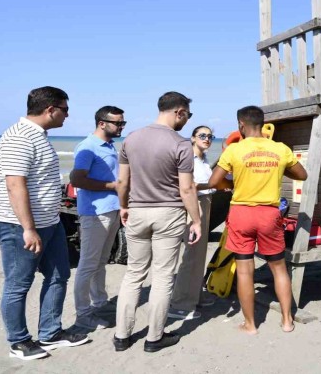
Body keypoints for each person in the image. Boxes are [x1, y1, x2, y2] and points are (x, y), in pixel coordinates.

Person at [0, 86, 87, 361]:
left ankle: (50, 333)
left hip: (50, 222)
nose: (67, 115)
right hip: (18, 226)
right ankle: (18, 342)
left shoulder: (38, 135)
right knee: (18, 284)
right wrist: (28, 229)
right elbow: (14, 185)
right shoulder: (20, 136)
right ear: (50, 109)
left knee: (58, 276)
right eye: (65, 110)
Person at [113, 91, 202, 353]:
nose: (187, 120)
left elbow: (123, 181)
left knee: (133, 274)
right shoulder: (180, 144)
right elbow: (186, 189)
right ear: (179, 112)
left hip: (138, 210)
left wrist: (124, 206)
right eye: (187, 115)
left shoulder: (131, 139)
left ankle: (121, 336)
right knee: (163, 276)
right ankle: (154, 337)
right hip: (169, 213)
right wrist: (196, 220)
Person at [208, 105, 307, 335]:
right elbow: (302, 174)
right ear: (262, 124)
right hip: (269, 214)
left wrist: (231, 183)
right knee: (279, 269)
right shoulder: (280, 148)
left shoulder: (234, 150)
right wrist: (279, 170)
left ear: (241, 125)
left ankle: (250, 325)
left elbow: (213, 182)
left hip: (241, 213)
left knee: (245, 271)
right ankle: (287, 321)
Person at [70, 106, 126, 330]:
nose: (121, 127)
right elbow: (77, 179)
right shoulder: (88, 146)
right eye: (118, 123)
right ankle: (83, 313)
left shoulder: (109, 145)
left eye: (123, 123)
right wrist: (112, 186)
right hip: (95, 213)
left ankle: (99, 302)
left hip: (111, 209)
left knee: (101, 261)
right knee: (88, 264)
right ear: (102, 123)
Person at [168, 125, 218, 320]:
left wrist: (216, 186)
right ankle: (180, 304)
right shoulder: (188, 158)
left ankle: (194, 295)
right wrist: (213, 184)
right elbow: (188, 186)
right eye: (202, 135)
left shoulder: (203, 159)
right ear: (192, 138)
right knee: (192, 254)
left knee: (199, 254)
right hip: (194, 204)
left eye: (210, 136)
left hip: (206, 202)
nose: (207, 139)